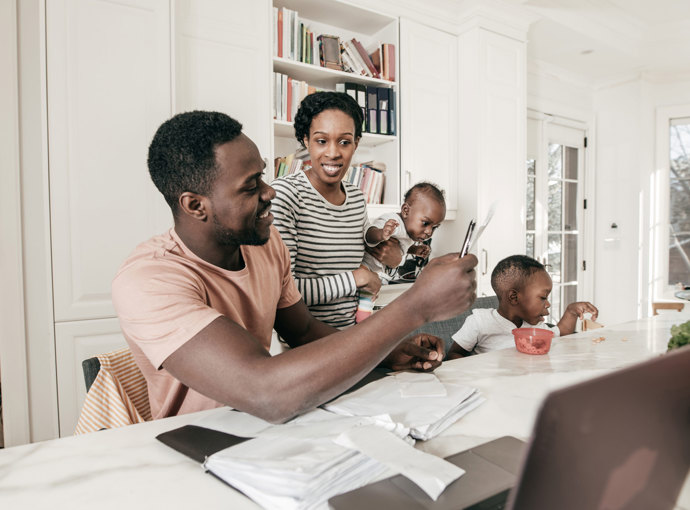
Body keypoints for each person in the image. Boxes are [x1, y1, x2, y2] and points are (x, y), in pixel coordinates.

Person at [111, 110, 478, 423]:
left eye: (263, 176)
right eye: (250, 185)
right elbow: (264, 392)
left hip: (269, 431)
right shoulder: (148, 280)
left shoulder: (267, 246)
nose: (269, 191)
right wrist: (416, 306)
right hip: (197, 444)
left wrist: (388, 352)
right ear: (195, 206)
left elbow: (303, 331)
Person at [271, 91, 402, 329]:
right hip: (306, 344)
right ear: (305, 140)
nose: (333, 153)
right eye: (321, 141)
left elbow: (370, 270)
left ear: (356, 143)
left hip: (355, 336)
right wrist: (355, 279)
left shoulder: (356, 198)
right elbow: (281, 292)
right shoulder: (285, 195)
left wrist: (392, 262)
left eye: (344, 141)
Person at [446, 254, 598, 359]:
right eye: (543, 298)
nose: (548, 304)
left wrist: (571, 311)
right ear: (514, 297)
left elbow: (561, 332)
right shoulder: (480, 321)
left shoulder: (536, 327)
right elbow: (454, 355)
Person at [362, 182, 446, 283]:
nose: (429, 232)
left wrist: (415, 250)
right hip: (363, 268)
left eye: (434, 227)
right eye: (425, 223)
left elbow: (402, 246)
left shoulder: (408, 233)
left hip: (373, 275)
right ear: (406, 211)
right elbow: (368, 234)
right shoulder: (394, 222)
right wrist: (381, 233)